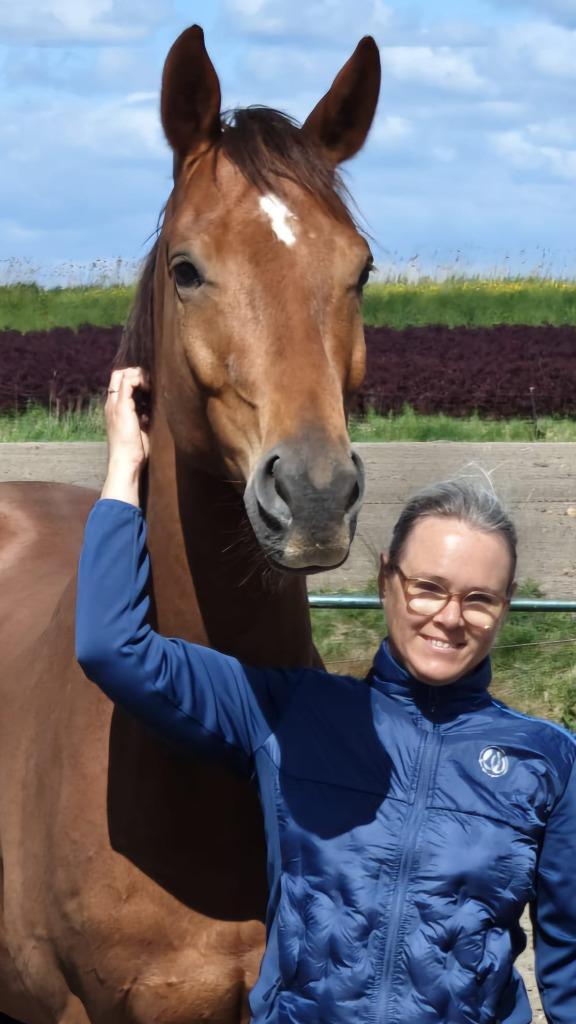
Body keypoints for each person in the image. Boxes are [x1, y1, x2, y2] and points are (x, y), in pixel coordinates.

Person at [76, 368, 576, 1024]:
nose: (450, 617)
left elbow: (567, 963)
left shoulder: (549, 760)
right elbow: (113, 648)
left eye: (479, 599)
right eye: (429, 587)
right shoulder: (291, 713)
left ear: (505, 609)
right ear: (388, 583)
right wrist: (124, 469)